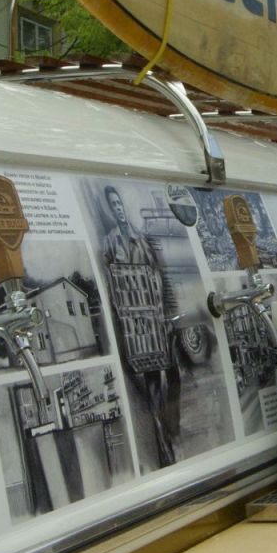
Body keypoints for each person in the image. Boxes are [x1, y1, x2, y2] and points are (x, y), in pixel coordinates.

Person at [101, 184, 182, 467]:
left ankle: (170, 431)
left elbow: (159, 275)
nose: (118, 209)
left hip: (157, 318)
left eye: (119, 204)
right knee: (151, 385)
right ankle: (164, 446)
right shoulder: (110, 243)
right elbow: (113, 284)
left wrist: (167, 315)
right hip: (136, 327)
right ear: (109, 210)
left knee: (172, 375)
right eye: (113, 206)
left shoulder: (143, 238)